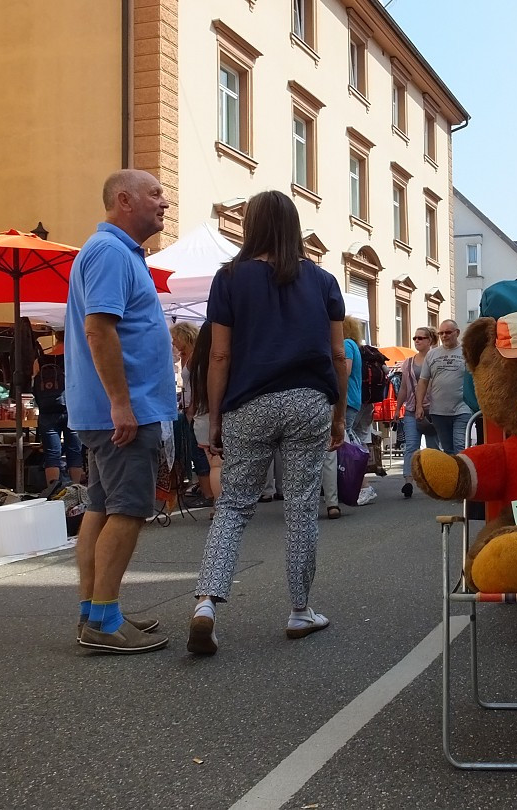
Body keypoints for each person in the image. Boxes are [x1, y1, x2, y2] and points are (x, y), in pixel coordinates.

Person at [189, 190, 347, 656]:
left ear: (251, 225)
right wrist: (338, 414)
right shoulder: (321, 281)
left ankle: (206, 605)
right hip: (308, 399)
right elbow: (339, 355)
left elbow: (220, 353)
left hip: (248, 403)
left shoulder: (230, 278)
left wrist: (214, 415)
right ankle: (300, 611)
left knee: (235, 505)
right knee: (301, 506)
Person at [66, 169, 178, 654]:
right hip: (124, 411)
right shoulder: (112, 252)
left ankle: (96, 610)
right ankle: (105, 622)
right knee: (129, 511)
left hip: (111, 409)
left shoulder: (112, 251)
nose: (165, 202)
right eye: (155, 193)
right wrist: (121, 404)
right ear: (124, 200)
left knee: (100, 507)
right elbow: (100, 330)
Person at [319, 316, 364, 518]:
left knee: (336, 445)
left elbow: (342, 371)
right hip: (352, 397)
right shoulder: (354, 345)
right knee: (340, 445)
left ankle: (358, 484)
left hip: (341, 399)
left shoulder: (345, 344)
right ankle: (335, 499)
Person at [32, 329, 84, 487]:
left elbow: (34, 385)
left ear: (56, 337)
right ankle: (76, 493)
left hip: (47, 412)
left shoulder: (39, 360)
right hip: (72, 410)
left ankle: (54, 494)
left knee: (52, 455)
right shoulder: (74, 357)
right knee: (74, 453)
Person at [170, 321, 213, 506]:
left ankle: (209, 494)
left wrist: (193, 407)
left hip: (198, 409)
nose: (173, 343)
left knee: (201, 453)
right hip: (191, 407)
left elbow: (198, 383)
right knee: (198, 453)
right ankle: (207, 492)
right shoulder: (185, 356)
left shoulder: (196, 356)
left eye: (175, 339)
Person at [415, 319, 472, 454]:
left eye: (448, 332)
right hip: (438, 411)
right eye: (441, 333)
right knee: (447, 449)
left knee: (460, 447)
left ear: (457, 333)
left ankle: (462, 474)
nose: (444, 336)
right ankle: (453, 475)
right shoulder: (432, 354)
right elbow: (423, 381)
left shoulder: (467, 352)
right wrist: (419, 406)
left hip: (462, 409)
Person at [396, 325, 440, 498]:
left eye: (420, 338)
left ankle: (435, 480)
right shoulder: (408, 363)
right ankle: (408, 482)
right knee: (411, 447)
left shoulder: (436, 359)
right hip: (411, 410)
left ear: (430, 340)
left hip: (432, 410)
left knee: (433, 447)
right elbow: (404, 389)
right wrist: (398, 408)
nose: (417, 341)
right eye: (415, 338)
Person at [187, 322, 221, 519]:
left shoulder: (194, 363)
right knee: (220, 467)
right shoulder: (218, 361)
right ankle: (221, 507)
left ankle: (218, 506)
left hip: (200, 418)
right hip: (218, 417)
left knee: (213, 465)